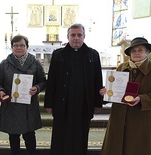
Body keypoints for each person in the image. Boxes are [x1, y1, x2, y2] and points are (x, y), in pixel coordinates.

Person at [44, 23, 103, 155]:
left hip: (84, 103)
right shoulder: (58, 54)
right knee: (61, 134)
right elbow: (52, 80)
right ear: (68, 36)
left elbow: (97, 80)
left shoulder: (93, 54)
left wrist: (98, 103)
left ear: (84, 36)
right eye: (73, 35)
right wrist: (49, 102)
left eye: (79, 35)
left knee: (81, 135)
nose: (76, 38)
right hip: (63, 102)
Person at [100, 37, 151, 155]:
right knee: (115, 147)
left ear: (147, 52)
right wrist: (107, 92)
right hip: (119, 117)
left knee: (137, 148)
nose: (136, 53)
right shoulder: (122, 67)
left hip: (141, 119)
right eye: (133, 51)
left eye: (140, 50)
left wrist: (141, 99)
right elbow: (116, 88)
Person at [0, 34, 46, 155]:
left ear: (27, 47)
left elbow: (43, 81)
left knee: (29, 134)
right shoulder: (4, 64)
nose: (19, 48)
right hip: (11, 104)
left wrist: (37, 88)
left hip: (29, 104)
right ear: (12, 47)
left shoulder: (35, 63)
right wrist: (0, 90)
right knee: (13, 135)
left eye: (22, 45)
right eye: (16, 45)